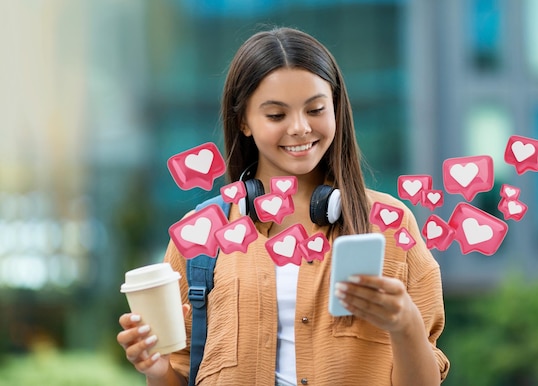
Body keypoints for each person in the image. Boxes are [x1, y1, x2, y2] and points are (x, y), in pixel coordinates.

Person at [117, 26, 449, 386]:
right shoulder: (201, 233)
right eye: (276, 115)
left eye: (316, 109)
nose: (300, 128)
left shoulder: (391, 225)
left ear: (336, 108)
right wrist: (156, 369)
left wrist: (406, 325)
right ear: (243, 120)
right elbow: (178, 373)